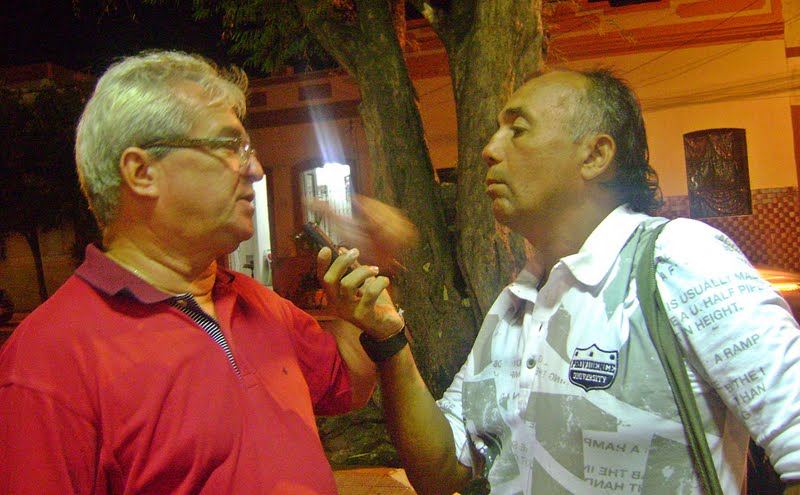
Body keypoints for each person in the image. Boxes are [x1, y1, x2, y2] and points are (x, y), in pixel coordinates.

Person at [317, 68, 800, 494]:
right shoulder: (516, 304)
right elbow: (442, 471)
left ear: (595, 155)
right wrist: (388, 339)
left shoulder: (675, 258)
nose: (489, 150)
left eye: (518, 129)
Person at [0, 50, 377, 494]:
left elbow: (348, 385)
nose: (255, 170)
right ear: (142, 172)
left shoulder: (258, 303)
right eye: (230, 147)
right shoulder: (47, 361)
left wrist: (360, 301)